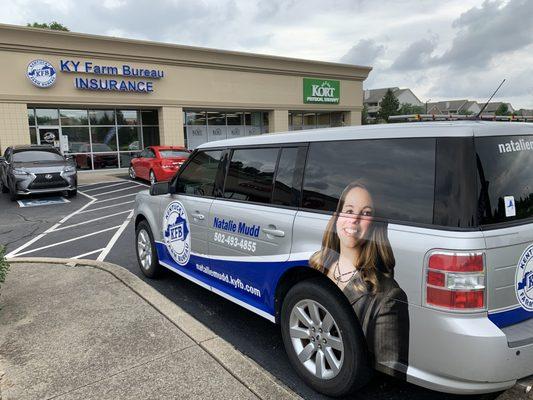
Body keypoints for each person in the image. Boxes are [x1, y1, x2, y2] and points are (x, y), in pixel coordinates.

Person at [309, 181, 409, 377]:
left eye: (365, 213)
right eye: (348, 210)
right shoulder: (315, 263)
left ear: (375, 225)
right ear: (337, 217)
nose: (354, 219)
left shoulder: (388, 296)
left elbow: (388, 370)